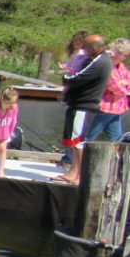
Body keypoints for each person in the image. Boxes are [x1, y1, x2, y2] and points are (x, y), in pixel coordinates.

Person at [56, 34, 112, 184]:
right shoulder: (95, 59)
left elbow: (78, 78)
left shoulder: (100, 61)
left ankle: (77, 174)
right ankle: (73, 172)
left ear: (94, 47)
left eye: (85, 46)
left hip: (85, 105)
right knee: (75, 140)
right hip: (80, 103)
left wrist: (66, 78)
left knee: (78, 140)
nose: (83, 49)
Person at [84, 37, 130, 142]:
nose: (125, 58)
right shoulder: (107, 65)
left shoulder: (120, 67)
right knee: (89, 136)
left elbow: (128, 79)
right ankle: (70, 157)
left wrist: (124, 84)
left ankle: (117, 158)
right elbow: (118, 89)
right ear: (118, 53)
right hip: (104, 107)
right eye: (124, 55)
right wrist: (124, 85)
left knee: (116, 139)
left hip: (116, 108)